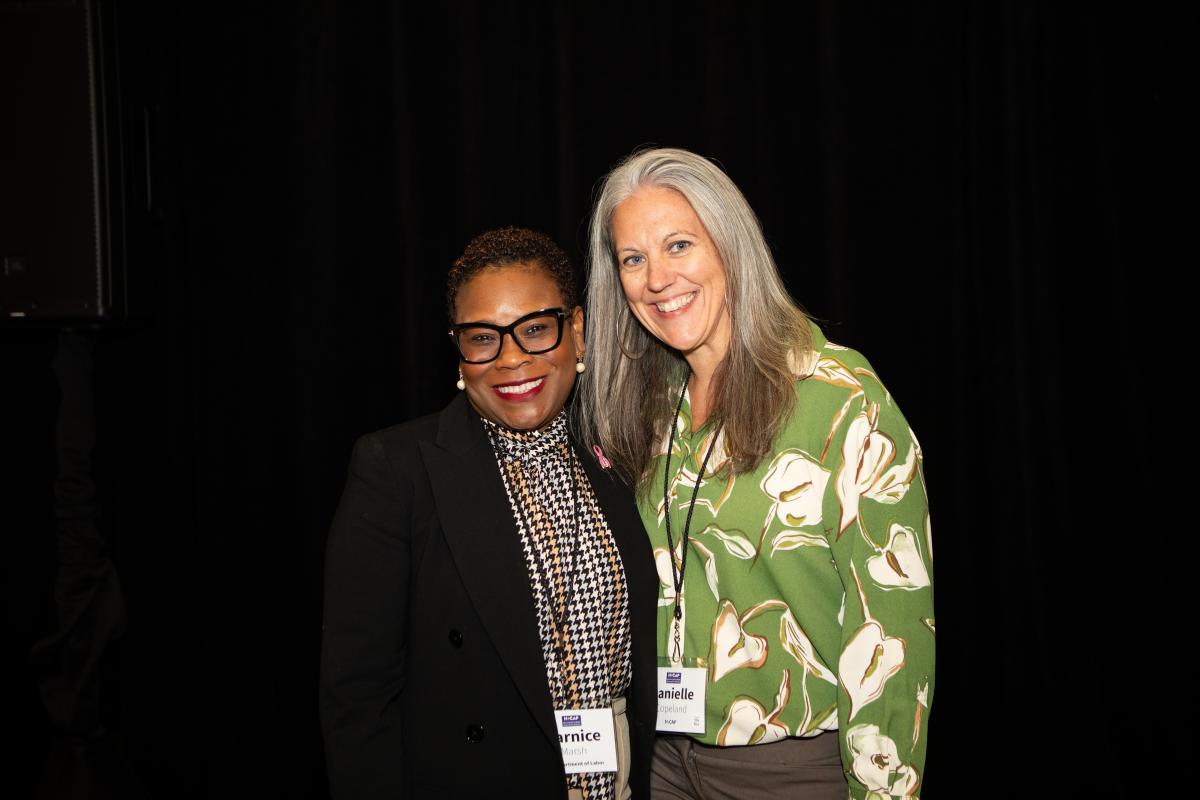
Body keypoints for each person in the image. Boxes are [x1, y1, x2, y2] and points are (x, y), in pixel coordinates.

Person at [578, 148, 934, 799]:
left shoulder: (837, 397)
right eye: (633, 259)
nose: (657, 278)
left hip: (788, 768)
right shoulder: (659, 409)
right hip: (667, 760)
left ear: (729, 245)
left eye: (679, 244)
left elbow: (894, 630)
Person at [320, 227, 658, 799]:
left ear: (576, 332)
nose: (511, 359)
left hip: (624, 780)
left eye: (534, 330)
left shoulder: (626, 451)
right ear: (458, 351)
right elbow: (358, 697)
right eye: (483, 338)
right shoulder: (397, 468)